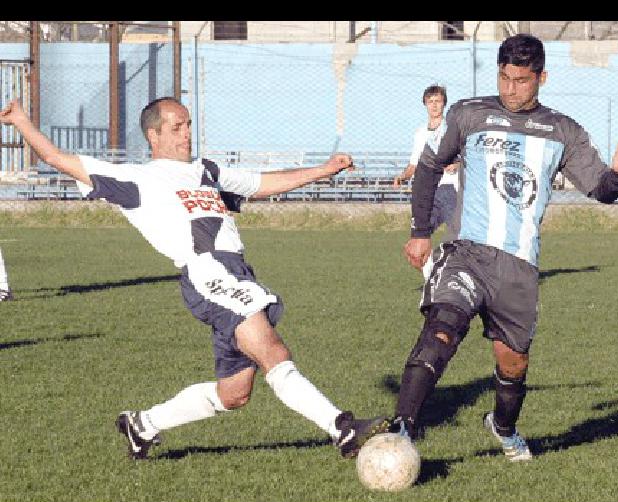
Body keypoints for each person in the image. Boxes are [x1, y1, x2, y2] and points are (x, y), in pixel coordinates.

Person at [0, 96, 389, 460]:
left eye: (188, 125)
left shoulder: (206, 170)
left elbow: (262, 184)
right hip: (208, 272)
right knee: (274, 352)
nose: (187, 133)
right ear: (153, 135)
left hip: (236, 271)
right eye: (176, 127)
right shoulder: (136, 178)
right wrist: (20, 120)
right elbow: (56, 157)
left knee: (234, 393)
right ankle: (342, 428)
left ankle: (143, 424)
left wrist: (324, 170)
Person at [383, 34, 618, 461]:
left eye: (522, 81)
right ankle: (401, 428)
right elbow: (430, 167)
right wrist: (419, 231)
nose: (511, 89)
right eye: (505, 78)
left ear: (542, 77)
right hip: (466, 252)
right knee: (442, 329)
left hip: (519, 268)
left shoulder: (563, 131)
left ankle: (503, 426)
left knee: (513, 365)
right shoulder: (468, 114)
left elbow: (600, 189)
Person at [393, 85, 460, 279]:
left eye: (438, 101)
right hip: (427, 192)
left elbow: (464, 156)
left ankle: (459, 276)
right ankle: (433, 275)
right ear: (425, 104)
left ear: (444, 103)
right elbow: (414, 164)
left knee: (458, 238)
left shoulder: (451, 130)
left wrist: (457, 164)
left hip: (449, 189)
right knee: (416, 243)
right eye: (430, 102)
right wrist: (403, 176)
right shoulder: (420, 133)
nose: (434, 105)